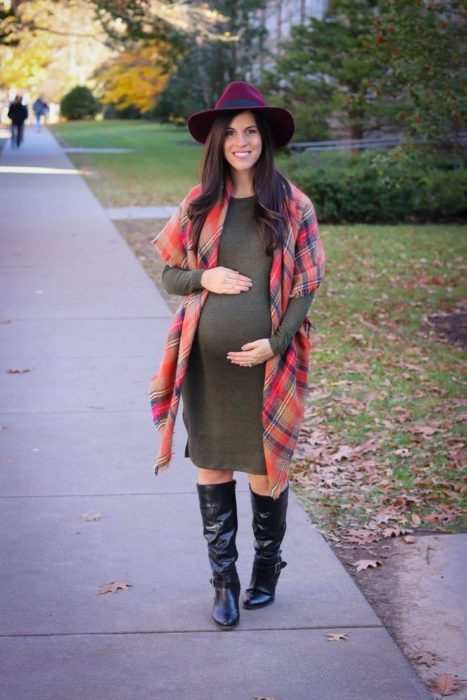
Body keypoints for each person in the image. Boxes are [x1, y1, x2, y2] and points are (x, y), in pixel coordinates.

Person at [149, 81, 325, 630]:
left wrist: (275, 344)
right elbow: (171, 273)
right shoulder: (200, 204)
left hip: (268, 369)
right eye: (231, 133)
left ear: (264, 139)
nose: (241, 141)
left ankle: (265, 571)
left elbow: (308, 285)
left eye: (250, 131)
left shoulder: (292, 204)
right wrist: (208, 275)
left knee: (264, 472)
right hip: (207, 369)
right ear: (218, 143)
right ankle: (223, 583)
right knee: (212, 466)